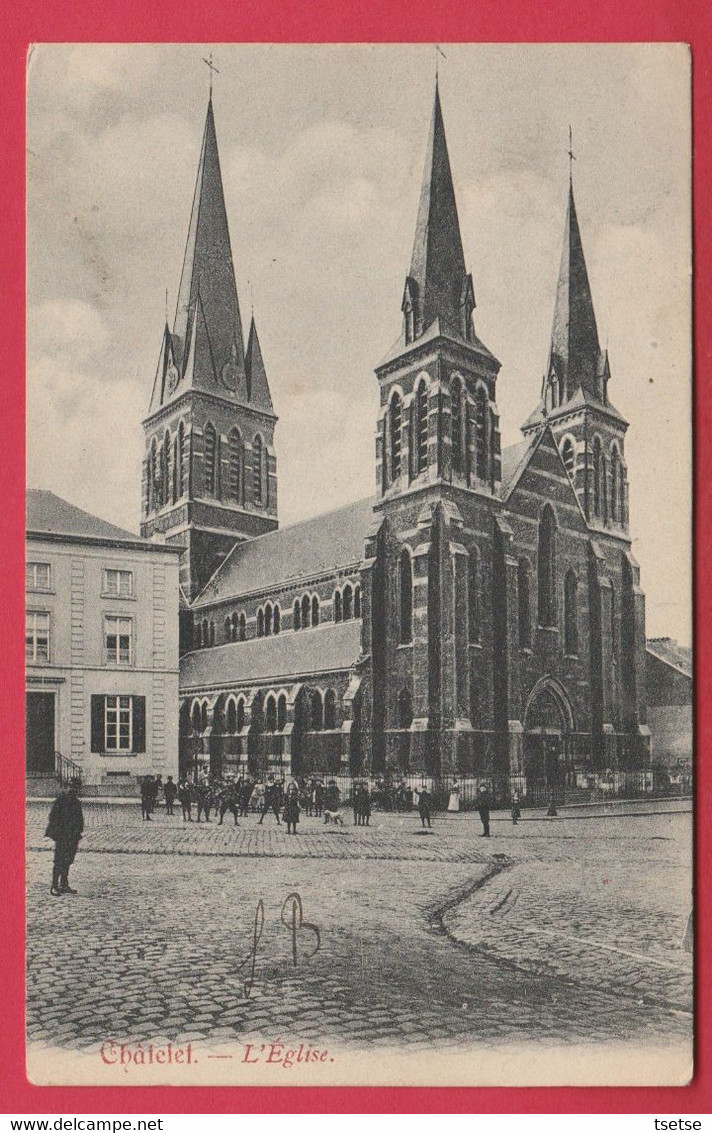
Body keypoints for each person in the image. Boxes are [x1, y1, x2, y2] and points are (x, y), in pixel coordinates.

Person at [45, 778, 84, 896]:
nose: (73, 789)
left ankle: (64, 884)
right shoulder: (60, 801)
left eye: (75, 787)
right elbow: (53, 818)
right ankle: (54, 886)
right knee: (59, 860)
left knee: (68, 860)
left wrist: (78, 831)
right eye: (71, 786)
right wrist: (59, 833)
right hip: (62, 836)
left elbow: (79, 819)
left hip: (72, 837)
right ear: (66, 787)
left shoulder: (76, 802)